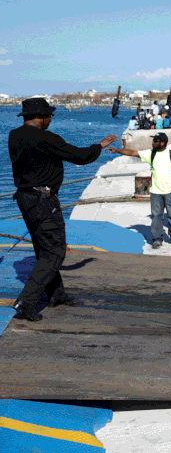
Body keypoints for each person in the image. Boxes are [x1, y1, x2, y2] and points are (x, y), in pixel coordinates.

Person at [8, 98, 117, 321]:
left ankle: (56, 294)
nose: (51, 119)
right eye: (49, 116)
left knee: (43, 247)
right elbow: (80, 156)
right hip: (43, 200)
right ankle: (26, 302)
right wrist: (100, 145)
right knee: (55, 252)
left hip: (25, 198)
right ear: (41, 118)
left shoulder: (14, 136)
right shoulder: (45, 138)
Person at [109, 132, 171, 249]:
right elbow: (133, 153)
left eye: (155, 141)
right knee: (156, 216)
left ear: (162, 143)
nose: (152, 143)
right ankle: (157, 239)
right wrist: (117, 151)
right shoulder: (151, 154)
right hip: (155, 192)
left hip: (170, 191)